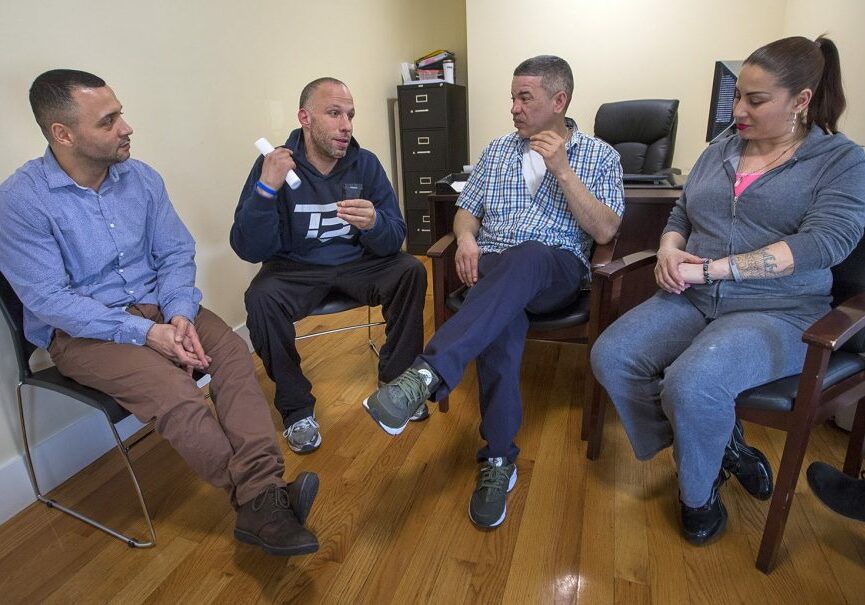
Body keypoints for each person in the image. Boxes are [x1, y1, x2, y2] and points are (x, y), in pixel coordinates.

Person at [0, 69, 319, 557]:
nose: (126, 127)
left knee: (233, 355)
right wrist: (146, 333)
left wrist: (178, 315)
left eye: (120, 113)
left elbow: (174, 253)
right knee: (174, 391)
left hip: (160, 306)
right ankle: (264, 500)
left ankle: (261, 498)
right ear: (62, 134)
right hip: (83, 333)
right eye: (108, 121)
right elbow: (49, 300)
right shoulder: (22, 200)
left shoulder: (142, 178)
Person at [590, 36, 865, 545]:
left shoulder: (841, 161)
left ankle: (698, 497)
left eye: (755, 101)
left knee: (693, 385)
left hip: (780, 309)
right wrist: (671, 249)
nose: (738, 109)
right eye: (738, 95)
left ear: (801, 100)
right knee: (613, 355)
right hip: (694, 296)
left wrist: (715, 270)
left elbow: (824, 243)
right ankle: (723, 447)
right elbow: (680, 213)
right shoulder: (722, 147)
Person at [363, 56, 624, 528]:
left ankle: (425, 375)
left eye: (525, 98)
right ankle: (498, 460)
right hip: (493, 271)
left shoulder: (600, 155)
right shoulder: (497, 150)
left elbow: (606, 230)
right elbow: (467, 209)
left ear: (558, 101)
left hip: (555, 270)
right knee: (502, 323)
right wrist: (465, 238)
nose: (514, 108)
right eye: (512, 97)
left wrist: (563, 171)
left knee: (528, 255)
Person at [230, 78, 427, 454]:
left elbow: (394, 234)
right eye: (334, 113)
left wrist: (374, 224)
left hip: (357, 263)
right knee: (260, 298)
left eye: (350, 115)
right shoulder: (273, 164)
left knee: (410, 270)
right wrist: (266, 190)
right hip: (294, 268)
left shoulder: (365, 164)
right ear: (305, 117)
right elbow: (248, 248)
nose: (346, 125)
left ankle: (397, 383)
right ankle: (296, 410)